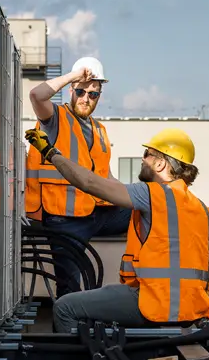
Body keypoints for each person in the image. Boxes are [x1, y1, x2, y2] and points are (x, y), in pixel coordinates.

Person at [24, 126, 209, 334]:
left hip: (151, 304)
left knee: (64, 307)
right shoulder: (201, 208)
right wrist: (186, 293)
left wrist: (51, 153)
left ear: (160, 163)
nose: (142, 160)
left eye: (146, 155)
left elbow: (88, 182)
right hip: (191, 308)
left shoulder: (152, 193)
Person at [24, 56, 132, 298]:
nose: (86, 98)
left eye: (93, 94)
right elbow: (36, 95)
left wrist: (139, 195)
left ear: (99, 95)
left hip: (97, 212)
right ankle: (69, 331)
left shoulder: (99, 130)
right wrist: (74, 76)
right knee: (69, 287)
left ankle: (137, 282)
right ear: (71, 90)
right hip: (64, 219)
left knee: (148, 209)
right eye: (81, 91)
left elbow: (107, 177)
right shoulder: (55, 118)